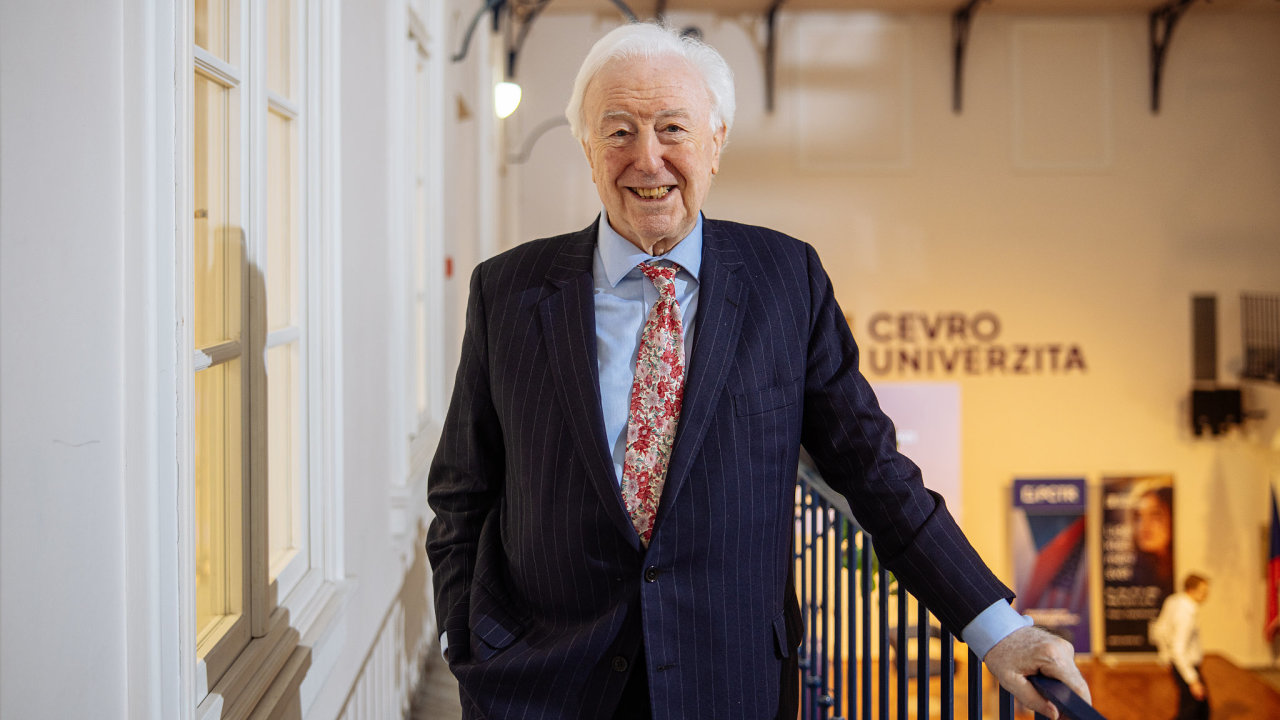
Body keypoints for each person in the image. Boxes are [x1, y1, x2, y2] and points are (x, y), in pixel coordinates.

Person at [426, 21, 1091, 720]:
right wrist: (460, 637)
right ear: (587, 150)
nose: (647, 159)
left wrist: (997, 629)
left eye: (673, 129)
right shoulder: (508, 290)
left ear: (715, 144)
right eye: (618, 131)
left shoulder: (786, 280)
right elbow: (462, 492)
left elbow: (872, 469)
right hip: (541, 689)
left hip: (729, 683)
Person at [1152, 574, 1211, 720]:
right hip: (1186, 665)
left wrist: (1165, 656)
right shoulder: (1185, 615)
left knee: (1198, 707)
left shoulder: (1173, 601)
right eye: (1203, 591)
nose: (1206, 595)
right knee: (1192, 710)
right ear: (1191, 590)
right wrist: (1193, 680)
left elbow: (1159, 630)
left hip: (1179, 664)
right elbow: (1178, 649)